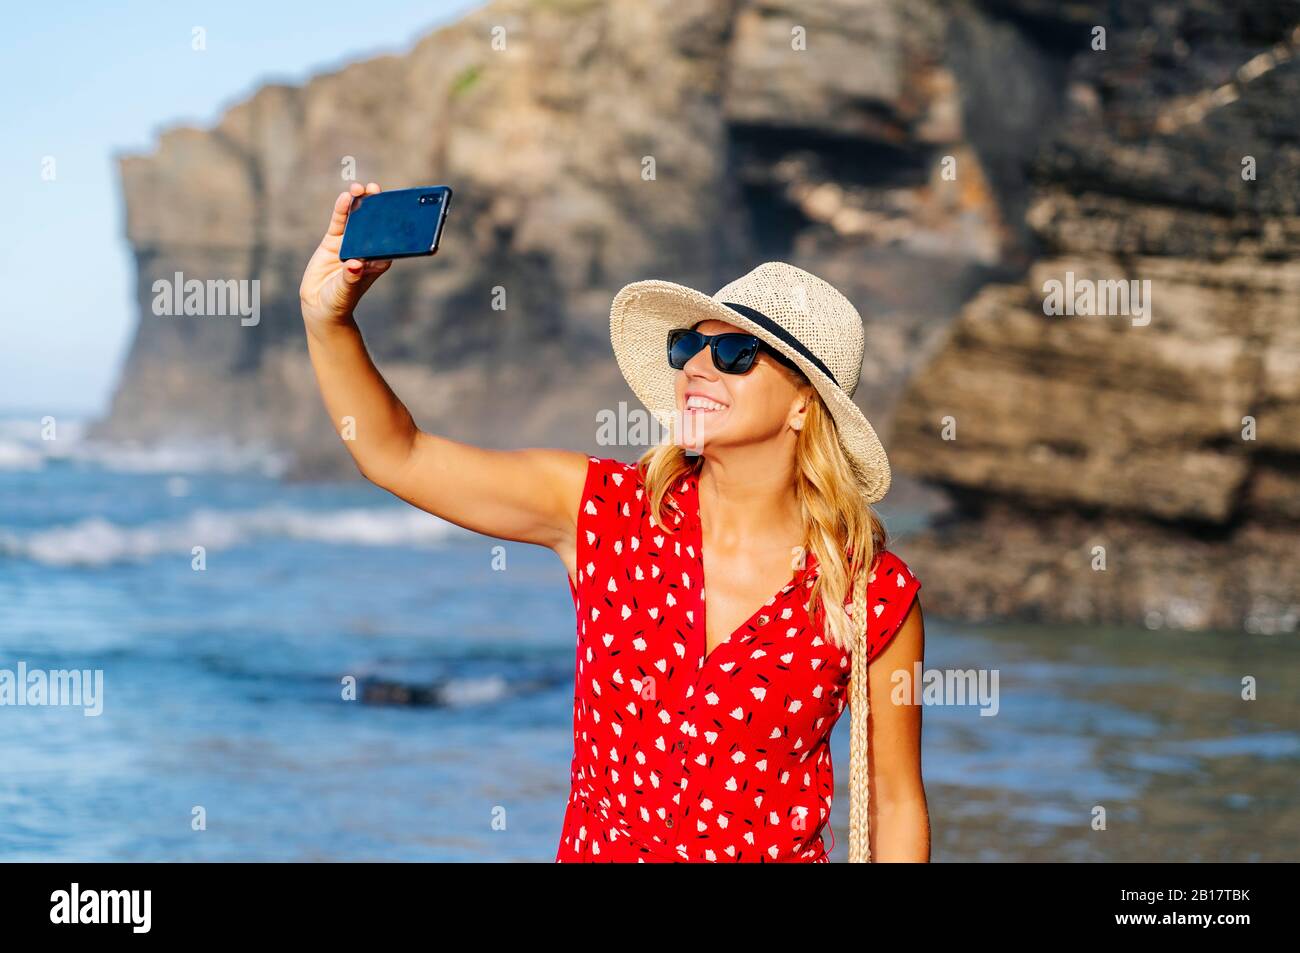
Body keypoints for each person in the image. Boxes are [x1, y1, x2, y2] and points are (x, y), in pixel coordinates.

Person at [299, 181, 929, 862]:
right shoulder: (603, 513)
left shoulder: (869, 593)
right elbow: (398, 453)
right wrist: (327, 321)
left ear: (805, 406)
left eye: (737, 354)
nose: (698, 366)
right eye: (689, 345)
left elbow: (893, 801)